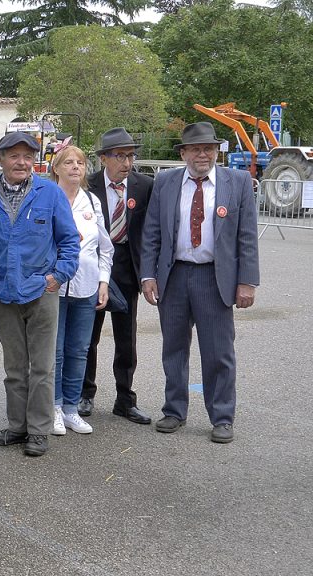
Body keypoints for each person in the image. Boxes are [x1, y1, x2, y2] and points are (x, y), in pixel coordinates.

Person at [140, 121, 259, 444]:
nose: (203, 154)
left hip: (214, 278)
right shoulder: (165, 182)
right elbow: (152, 232)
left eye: (208, 148)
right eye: (195, 149)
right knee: (173, 349)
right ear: (183, 153)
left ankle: (222, 417)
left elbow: (247, 236)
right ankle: (174, 411)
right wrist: (148, 275)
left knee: (219, 352)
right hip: (174, 276)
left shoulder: (238, 182)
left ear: (217, 152)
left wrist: (247, 282)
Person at [0, 131, 79, 457]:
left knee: (42, 367)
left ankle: (38, 430)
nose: (21, 162)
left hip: (41, 292)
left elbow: (70, 241)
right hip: (3, 294)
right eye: (14, 156)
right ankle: (17, 426)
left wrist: (57, 277)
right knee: (15, 367)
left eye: (28, 156)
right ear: (0, 159)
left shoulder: (50, 193)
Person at [80, 128, 154, 425]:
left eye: (131, 156)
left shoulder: (144, 186)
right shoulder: (88, 185)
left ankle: (125, 399)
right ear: (103, 158)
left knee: (126, 337)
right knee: (88, 334)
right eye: (120, 156)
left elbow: (152, 232)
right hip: (95, 265)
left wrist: (149, 273)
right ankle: (85, 393)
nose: (127, 163)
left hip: (126, 266)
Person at [48, 145, 112, 436]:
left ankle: (71, 409)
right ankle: (54, 406)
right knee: (55, 351)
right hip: (55, 287)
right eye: (69, 162)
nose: (76, 167)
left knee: (79, 350)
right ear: (56, 168)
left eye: (80, 163)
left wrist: (103, 281)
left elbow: (105, 247)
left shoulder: (92, 201)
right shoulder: (47, 197)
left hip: (86, 287)